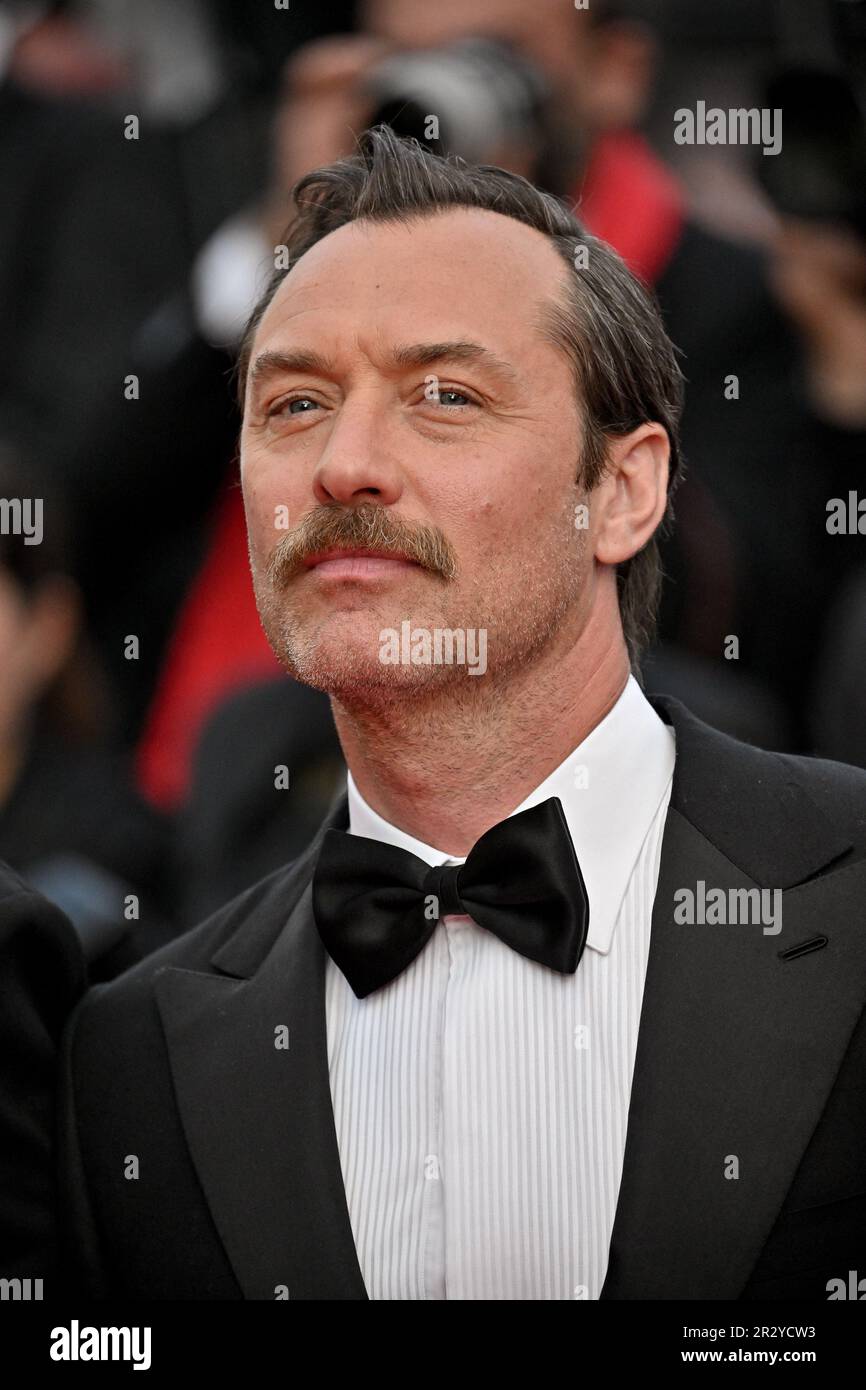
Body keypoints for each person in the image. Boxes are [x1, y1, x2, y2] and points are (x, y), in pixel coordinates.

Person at [57, 129, 866, 1301]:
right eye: (292, 403)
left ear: (623, 489)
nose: (343, 465)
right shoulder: (135, 1058)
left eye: (444, 395)